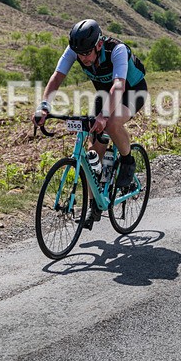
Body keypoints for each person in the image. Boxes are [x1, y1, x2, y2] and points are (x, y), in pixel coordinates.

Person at [34, 19, 148, 229]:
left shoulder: (117, 50)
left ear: (98, 45)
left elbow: (118, 85)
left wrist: (104, 116)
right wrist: (43, 106)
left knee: (112, 123)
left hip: (132, 91)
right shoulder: (75, 51)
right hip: (105, 94)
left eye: (87, 53)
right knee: (92, 152)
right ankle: (93, 204)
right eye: (80, 54)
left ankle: (128, 161)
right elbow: (57, 78)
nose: (83, 58)